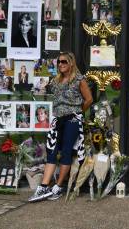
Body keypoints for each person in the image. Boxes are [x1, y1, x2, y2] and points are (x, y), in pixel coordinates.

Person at [29, 52, 93, 202]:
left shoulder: (79, 79)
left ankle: (58, 186)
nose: (60, 64)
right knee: (51, 151)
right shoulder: (56, 80)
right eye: (58, 62)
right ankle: (43, 186)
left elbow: (89, 99)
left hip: (72, 120)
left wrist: (77, 111)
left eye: (64, 62)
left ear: (71, 63)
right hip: (57, 120)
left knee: (66, 152)